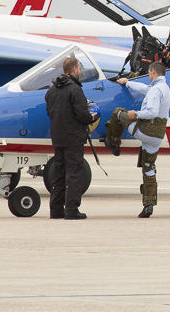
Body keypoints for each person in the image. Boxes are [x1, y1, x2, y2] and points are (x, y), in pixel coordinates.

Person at [45, 57, 99, 220]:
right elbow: (82, 114)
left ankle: (56, 209)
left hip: (58, 136)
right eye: (79, 68)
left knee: (59, 173)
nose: (80, 71)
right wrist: (91, 118)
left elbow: (49, 111)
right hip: (73, 137)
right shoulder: (75, 90)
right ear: (74, 70)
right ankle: (72, 210)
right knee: (75, 173)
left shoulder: (52, 89)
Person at [116, 61, 170, 218]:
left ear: (153, 71)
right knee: (149, 167)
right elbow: (144, 89)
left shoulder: (155, 90)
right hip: (158, 135)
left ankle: (112, 144)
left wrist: (136, 115)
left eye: (149, 73)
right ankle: (149, 205)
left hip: (147, 130)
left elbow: (152, 112)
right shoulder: (164, 88)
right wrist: (128, 83)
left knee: (118, 113)